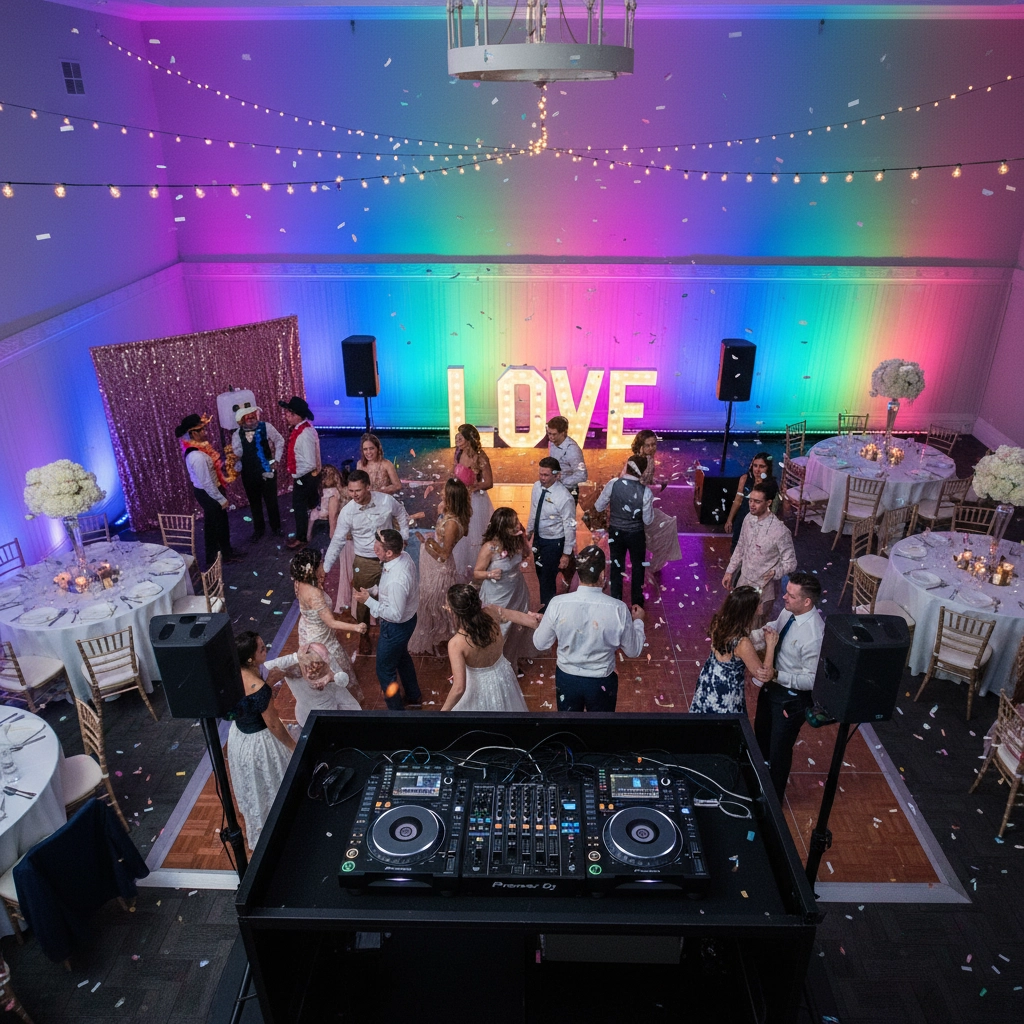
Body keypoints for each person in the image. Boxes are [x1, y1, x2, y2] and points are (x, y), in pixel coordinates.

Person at [533, 545, 646, 712]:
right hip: (601, 681)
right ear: (602, 574)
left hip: (567, 679)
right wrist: (638, 622)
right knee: (599, 732)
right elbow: (633, 650)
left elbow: (540, 644)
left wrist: (549, 624)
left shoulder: (557, 604)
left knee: (569, 731)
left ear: (579, 573)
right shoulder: (619, 609)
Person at [749, 572, 825, 802]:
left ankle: (773, 799)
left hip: (792, 699)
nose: (784, 597)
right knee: (761, 735)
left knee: (779, 750)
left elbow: (812, 679)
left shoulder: (814, 636)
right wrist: (750, 637)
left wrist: (778, 675)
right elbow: (776, 627)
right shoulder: (790, 610)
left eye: (790, 595)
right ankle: (757, 781)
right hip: (772, 686)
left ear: (807, 601)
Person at [323, 469, 409, 654]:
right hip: (364, 560)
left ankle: (393, 636)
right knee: (363, 601)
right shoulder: (347, 512)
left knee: (392, 597)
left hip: (389, 558)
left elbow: (401, 513)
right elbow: (338, 540)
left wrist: (403, 536)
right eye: (351, 491)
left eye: (358, 491)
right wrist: (326, 566)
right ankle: (364, 636)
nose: (354, 495)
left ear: (368, 487)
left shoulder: (386, 501)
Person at [226, 631, 297, 847]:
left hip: (239, 738)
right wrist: (294, 746)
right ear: (249, 658)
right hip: (260, 743)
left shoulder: (232, 674)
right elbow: (273, 724)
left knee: (253, 786)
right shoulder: (259, 689)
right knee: (274, 783)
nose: (266, 648)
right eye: (261, 649)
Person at [442, 584, 540, 712]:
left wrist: (442, 713)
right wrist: (540, 622)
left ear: (453, 611)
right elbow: (524, 619)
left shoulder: (456, 644)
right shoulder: (492, 611)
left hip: (476, 686)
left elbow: (459, 688)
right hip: (502, 675)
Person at [353, 529, 421, 711]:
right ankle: (414, 696)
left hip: (396, 627)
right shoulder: (403, 556)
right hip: (408, 620)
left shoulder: (397, 581)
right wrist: (374, 591)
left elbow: (395, 615)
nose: (374, 549)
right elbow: (386, 585)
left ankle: (396, 712)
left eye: (378, 547)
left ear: (389, 553)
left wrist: (367, 601)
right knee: (401, 657)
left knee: (384, 670)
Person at [691, 586, 777, 715]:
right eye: (759, 603)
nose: (761, 606)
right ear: (748, 610)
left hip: (709, 680)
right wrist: (771, 645)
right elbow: (763, 675)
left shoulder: (718, 622)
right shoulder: (742, 643)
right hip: (726, 690)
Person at [409, 478, 471, 655]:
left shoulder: (452, 523)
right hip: (431, 562)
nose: (441, 492)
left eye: (444, 491)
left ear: (451, 496)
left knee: (437, 603)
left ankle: (440, 640)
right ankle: (435, 638)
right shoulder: (447, 514)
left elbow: (444, 555)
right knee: (430, 602)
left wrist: (428, 542)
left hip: (440, 568)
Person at [723, 481, 798, 624]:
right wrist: (729, 571)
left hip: (764, 590)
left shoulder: (780, 532)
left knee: (755, 626)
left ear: (768, 502)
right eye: (750, 500)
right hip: (743, 582)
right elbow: (741, 546)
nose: (752, 505)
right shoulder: (748, 518)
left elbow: (791, 563)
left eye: (757, 502)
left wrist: (776, 572)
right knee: (736, 621)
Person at [474, 507, 537, 674]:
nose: (518, 524)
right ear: (503, 527)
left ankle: (510, 662)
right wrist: (489, 573)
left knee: (517, 629)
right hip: (497, 596)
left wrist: (523, 537)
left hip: (517, 591)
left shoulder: (515, 540)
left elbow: (527, 554)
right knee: (499, 632)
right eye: (514, 523)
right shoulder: (490, 547)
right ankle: (493, 668)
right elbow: (476, 573)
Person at [290, 548, 366, 688]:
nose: (323, 565)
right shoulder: (314, 594)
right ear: (312, 568)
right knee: (336, 670)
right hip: (321, 637)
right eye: (320, 563)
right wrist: (356, 627)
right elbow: (331, 622)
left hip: (308, 628)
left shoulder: (299, 582)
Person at [176, 412, 238, 567]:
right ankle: (222, 556)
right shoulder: (196, 456)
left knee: (214, 524)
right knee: (218, 525)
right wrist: (221, 499)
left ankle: (222, 553)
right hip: (208, 493)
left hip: (210, 491)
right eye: (202, 430)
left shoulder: (201, 450)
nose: (205, 432)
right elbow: (207, 483)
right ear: (193, 433)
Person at [594, 454, 654, 608]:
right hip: (636, 535)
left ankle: (616, 600)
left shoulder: (613, 484)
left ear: (627, 466)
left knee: (616, 566)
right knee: (638, 567)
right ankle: (636, 603)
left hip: (616, 533)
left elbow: (598, 506)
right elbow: (648, 520)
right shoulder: (645, 492)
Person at [264, 640, 361, 727]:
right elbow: (261, 670)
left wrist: (331, 676)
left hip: (335, 709)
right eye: (311, 666)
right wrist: (283, 673)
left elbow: (344, 681)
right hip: (307, 715)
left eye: (320, 665)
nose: (314, 670)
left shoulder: (326, 658)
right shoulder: (290, 662)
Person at [527, 456, 577, 612]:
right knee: (541, 574)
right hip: (539, 539)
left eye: (546, 475)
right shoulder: (536, 487)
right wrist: (529, 533)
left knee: (548, 578)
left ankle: (548, 611)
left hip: (554, 542)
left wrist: (566, 554)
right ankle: (546, 605)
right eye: (540, 474)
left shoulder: (564, 498)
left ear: (557, 475)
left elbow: (569, 527)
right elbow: (534, 510)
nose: (542, 478)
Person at [229, 402, 285, 542]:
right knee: (254, 503)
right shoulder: (237, 434)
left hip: (267, 469)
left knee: (271, 501)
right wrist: (235, 462)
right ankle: (259, 530)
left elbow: (279, 440)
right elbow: (238, 454)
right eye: (248, 418)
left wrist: (276, 459)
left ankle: (276, 527)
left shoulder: (266, 427)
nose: (252, 419)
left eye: (253, 416)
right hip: (249, 473)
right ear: (242, 421)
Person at [632, 430, 682, 573]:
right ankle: (649, 567)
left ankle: (651, 566)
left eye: (654, 444)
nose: (651, 448)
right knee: (662, 528)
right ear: (640, 446)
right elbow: (637, 487)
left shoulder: (649, 459)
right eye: (647, 445)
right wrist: (657, 487)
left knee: (664, 527)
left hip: (645, 507)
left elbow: (647, 480)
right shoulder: (637, 462)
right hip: (636, 509)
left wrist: (658, 482)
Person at [451, 424, 494, 581]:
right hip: (459, 500)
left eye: (461, 437)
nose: (458, 439)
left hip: (476, 502)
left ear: (469, 439)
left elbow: (489, 483)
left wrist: (473, 487)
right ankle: (460, 574)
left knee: (474, 537)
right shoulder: (457, 453)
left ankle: (477, 574)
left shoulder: (480, 456)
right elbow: (453, 474)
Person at [279, 396, 321, 550]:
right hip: (304, 475)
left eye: (289, 414)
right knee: (306, 505)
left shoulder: (304, 434)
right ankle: (307, 531)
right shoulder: (300, 430)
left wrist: (295, 473)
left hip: (305, 476)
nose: (287, 416)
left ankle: (302, 537)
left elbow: (310, 463)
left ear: (297, 415)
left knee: (299, 507)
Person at [724, 452, 778, 552]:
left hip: (759, 522)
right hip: (742, 517)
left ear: (768, 468)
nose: (757, 470)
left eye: (762, 466)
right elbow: (738, 500)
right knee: (736, 545)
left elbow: (773, 509)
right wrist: (729, 520)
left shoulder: (771, 485)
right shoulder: (744, 479)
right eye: (755, 465)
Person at [307, 464, 346, 551]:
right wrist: (333, 536)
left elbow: (313, 514)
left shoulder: (322, 492)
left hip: (317, 525)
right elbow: (333, 516)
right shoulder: (334, 493)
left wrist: (309, 534)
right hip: (326, 526)